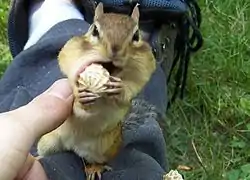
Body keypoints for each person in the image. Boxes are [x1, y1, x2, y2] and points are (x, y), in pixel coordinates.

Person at [0, 0, 202, 179]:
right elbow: (67, 62)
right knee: (49, 145)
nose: (112, 55)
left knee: (40, 72)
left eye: (133, 37)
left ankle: (54, 12)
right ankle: (149, 36)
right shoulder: (79, 54)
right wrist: (81, 91)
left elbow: (126, 99)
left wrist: (120, 92)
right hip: (66, 129)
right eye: (97, 32)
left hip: (101, 136)